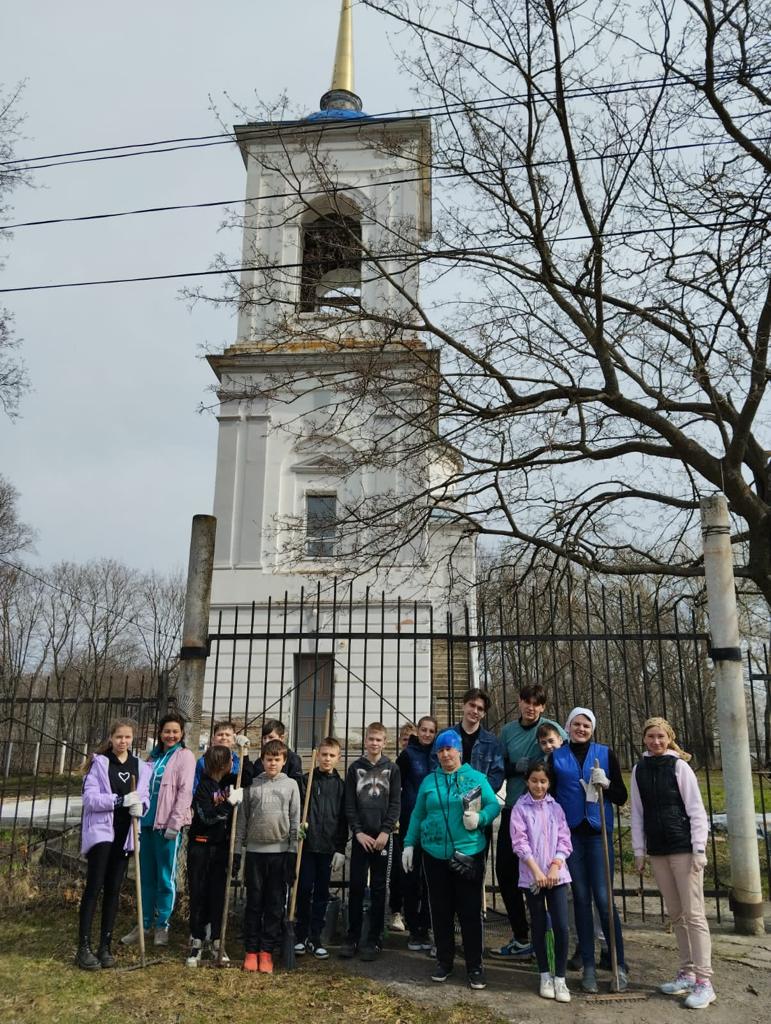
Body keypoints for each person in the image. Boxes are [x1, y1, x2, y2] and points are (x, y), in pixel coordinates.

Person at [403, 729, 500, 991]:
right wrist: (409, 844)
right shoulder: (429, 781)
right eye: (441, 750)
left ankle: (474, 966)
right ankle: (444, 961)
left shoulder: (476, 778)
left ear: (459, 751)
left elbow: (493, 805)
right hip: (434, 854)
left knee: (469, 912)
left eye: (450, 749)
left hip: (468, 853)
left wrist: (480, 819)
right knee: (440, 910)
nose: (445, 754)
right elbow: (417, 815)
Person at [631, 717, 715, 1010]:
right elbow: (638, 812)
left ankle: (705, 981)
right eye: (651, 736)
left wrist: (699, 848)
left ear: (669, 738)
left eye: (661, 737)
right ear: (644, 739)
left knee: (694, 915)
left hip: (683, 848)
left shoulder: (679, 767)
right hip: (658, 851)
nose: (656, 742)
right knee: (677, 915)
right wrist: (639, 850)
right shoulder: (639, 769)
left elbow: (696, 810)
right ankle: (687, 971)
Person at [551, 707, 628, 993]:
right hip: (571, 835)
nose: (580, 729)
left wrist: (606, 783)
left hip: (598, 834)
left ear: (592, 729)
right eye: (576, 724)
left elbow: (621, 796)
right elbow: (549, 793)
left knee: (604, 899)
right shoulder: (557, 756)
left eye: (586, 725)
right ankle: (589, 966)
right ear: (568, 726)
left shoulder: (605, 754)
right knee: (581, 898)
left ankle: (619, 964)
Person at [493, 684, 566, 960]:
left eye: (536, 703)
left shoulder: (551, 728)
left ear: (542, 707)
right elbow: (501, 766)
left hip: (543, 813)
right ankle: (521, 935)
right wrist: (516, 768)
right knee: (506, 872)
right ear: (520, 702)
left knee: (543, 876)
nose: (530, 707)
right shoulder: (508, 731)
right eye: (526, 702)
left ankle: (544, 937)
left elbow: (561, 761)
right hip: (514, 807)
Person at [76, 719, 151, 969]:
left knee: (113, 890)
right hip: (102, 835)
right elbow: (91, 800)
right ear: (111, 737)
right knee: (94, 887)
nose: (123, 741)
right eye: (119, 737)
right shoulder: (100, 764)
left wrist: (142, 805)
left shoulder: (140, 766)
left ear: (133, 739)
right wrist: (119, 800)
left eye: (128, 737)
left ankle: (104, 946)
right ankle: (83, 947)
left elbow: (145, 796)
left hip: (124, 835)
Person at [121, 713, 196, 947]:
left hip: (167, 827)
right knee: (145, 877)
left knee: (165, 878)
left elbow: (185, 792)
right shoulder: (151, 758)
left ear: (182, 733)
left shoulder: (185, 756)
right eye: (166, 731)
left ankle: (162, 925)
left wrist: (175, 823)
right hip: (145, 823)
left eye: (175, 731)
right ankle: (143, 925)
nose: (170, 735)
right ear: (160, 733)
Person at [510, 758, 573, 1003]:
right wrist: (536, 870)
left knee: (561, 926)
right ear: (527, 781)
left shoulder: (555, 808)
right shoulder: (520, 808)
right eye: (534, 781)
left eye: (543, 781)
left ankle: (560, 977)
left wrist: (556, 866)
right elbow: (520, 841)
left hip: (556, 875)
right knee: (538, 924)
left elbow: (564, 840)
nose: (539, 786)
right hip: (533, 876)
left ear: (549, 783)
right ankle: (544, 974)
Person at [236, 737, 300, 974]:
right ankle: (251, 950)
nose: (272, 764)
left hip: (280, 852)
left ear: (284, 761)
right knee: (254, 902)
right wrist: (237, 852)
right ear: (261, 760)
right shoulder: (252, 785)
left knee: (274, 904)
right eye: (268, 759)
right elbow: (241, 821)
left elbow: (295, 819)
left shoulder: (291, 785)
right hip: (254, 852)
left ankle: (267, 951)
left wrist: (292, 851)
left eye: (277, 760)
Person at [340, 721, 401, 961]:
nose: (374, 743)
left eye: (379, 740)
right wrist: (357, 832)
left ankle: (374, 938)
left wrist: (386, 831)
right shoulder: (355, 768)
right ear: (365, 741)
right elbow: (349, 804)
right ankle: (352, 936)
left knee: (378, 889)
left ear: (385, 742)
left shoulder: (392, 770)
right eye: (371, 739)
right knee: (355, 887)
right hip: (361, 838)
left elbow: (395, 803)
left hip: (383, 839)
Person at [185, 744, 243, 967]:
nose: (233, 764)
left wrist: (242, 750)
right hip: (200, 847)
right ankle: (197, 939)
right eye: (231, 760)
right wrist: (228, 804)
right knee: (199, 893)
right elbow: (208, 817)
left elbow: (245, 773)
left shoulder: (230, 783)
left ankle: (217, 939)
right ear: (222, 764)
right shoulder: (203, 789)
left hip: (220, 848)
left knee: (218, 894)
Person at [294, 736, 347, 959]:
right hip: (307, 847)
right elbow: (296, 810)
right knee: (304, 889)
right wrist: (299, 827)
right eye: (323, 754)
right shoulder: (306, 781)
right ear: (317, 755)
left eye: (331, 755)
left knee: (321, 893)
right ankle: (300, 934)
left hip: (327, 848)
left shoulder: (341, 786)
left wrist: (340, 849)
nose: (327, 759)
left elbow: (344, 819)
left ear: (338, 758)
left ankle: (316, 936)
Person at [396, 715, 437, 951]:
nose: (427, 735)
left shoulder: (437, 754)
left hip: (433, 826)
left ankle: (428, 925)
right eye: (424, 730)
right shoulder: (408, 755)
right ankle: (414, 928)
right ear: (417, 731)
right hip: (410, 820)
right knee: (410, 877)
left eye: (432, 731)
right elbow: (395, 783)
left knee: (430, 879)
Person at [438, 688, 504, 793]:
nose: (475, 711)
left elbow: (497, 776)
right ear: (463, 706)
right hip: (447, 799)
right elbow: (434, 767)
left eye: (480, 708)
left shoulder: (493, 743)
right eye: (472, 705)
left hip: (479, 801)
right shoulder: (444, 736)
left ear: (484, 714)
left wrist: (476, 793)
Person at [389, 722, 418, 933]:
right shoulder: (398, 762)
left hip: (418, 819)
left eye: (412, 739)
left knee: (417, 868)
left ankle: (413, 910)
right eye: (405, 739)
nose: (408, 743)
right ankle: (396, 910)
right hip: (401, 820)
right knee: (399, 868)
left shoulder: (421, 759)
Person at [193, 719, 252, 793]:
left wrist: (245, 751)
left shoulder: (238, 762)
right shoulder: (203, 762)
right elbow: (196, 787)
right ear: (213, 739)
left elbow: (246, 780)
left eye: (228, 735)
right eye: (220, 734)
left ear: (234, 740)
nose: (224, 737)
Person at [252, 718, 304, 791]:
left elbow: (296, 788)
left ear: (281, 738)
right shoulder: (259, 762)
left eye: (271, 737)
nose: (266, 741)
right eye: (264, 738)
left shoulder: (293, 759)